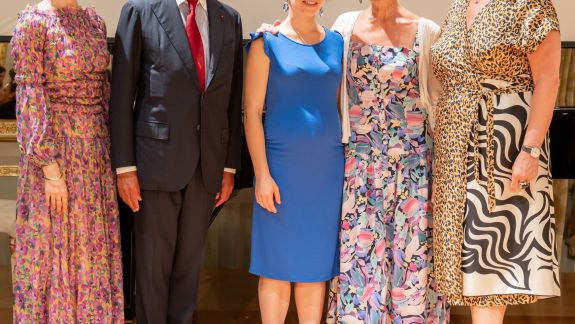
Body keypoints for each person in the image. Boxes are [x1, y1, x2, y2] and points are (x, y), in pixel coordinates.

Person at [256, 0, 448, 322]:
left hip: (413, 174)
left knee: (410, 270)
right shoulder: (344, 28)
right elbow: (310, 55)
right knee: (362, 272)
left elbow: (440, 103)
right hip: (360, 171)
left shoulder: (426, 31)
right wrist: (273, 33)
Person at [110, 0, 243, 322]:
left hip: (207, 165)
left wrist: (228, 166)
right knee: (153, 269)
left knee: (189, 268)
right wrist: (125, 167)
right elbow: (121, 92)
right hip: (154, 164)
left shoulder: (230, 18)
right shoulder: (140, 11)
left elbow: (233, 98)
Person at [430, 0, 561, 323]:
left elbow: (548, 79)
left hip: (502, 143)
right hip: (455, 151)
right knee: (469, 267)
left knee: (489, 264)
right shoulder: (460, 7)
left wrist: (530, 151)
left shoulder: (529, 5)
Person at [11, 0, 124, 322]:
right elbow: (30, 97)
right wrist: (50, 170)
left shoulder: (93, 21)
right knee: (55, 248)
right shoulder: (33, 23)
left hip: (95, 154)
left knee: (92, 249)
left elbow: (104, 91)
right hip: (56, 156)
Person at [244, 0, 344, 322]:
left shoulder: (338, 42)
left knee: (314, 268)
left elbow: (341, 107)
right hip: (280, 171)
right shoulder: (266, 43)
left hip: (327, 173)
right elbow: (251, 114)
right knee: (276, 265)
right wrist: (261, 174)